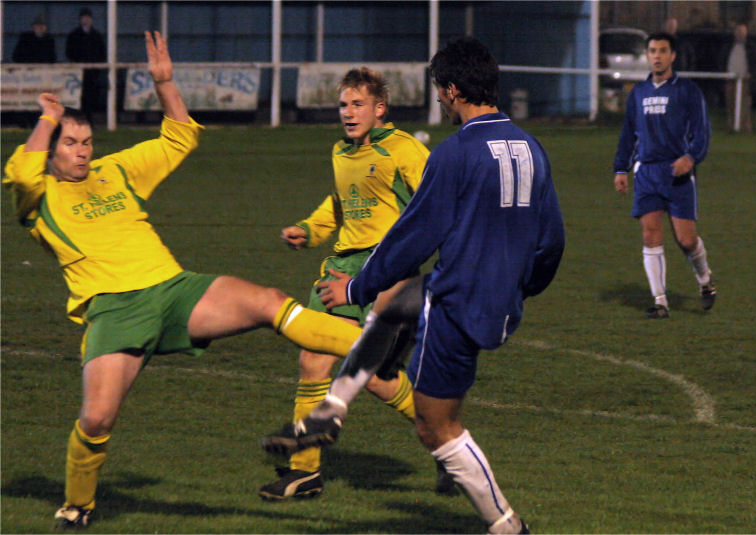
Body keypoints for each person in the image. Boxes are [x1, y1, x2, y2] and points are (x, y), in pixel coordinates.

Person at [2, 31, 363, 530]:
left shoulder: (116, 170)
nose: (82, 153)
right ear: (51, 151)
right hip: (113, 309)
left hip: (173, 290)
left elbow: (180, 135)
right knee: (97, 421)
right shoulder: (36, 198)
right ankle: (77, 505)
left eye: (87, 142)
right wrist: (46, 116)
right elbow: (21, 173)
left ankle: (373, 340)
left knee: (269, 301)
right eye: (70, 144)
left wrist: (165, 84)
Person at [263, 37, 565, 534]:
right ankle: (333, 406)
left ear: (452, 90)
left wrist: (358, 288)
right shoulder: (531, 148)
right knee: (401, 302)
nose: (442, 103)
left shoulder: (454, 153)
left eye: (441, 94)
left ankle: (507, 527)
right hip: (495, 298)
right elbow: (551, 241)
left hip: (459, 303)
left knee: (435, 426)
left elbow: (411, 240)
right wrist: (519, 289)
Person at [260, 67, 450, 500]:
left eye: (357, 104)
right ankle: (304, 471)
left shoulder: (404, 150)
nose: (348, 113)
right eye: (343, 105)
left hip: (378, 271)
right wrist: (309, 230)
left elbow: (434, 209)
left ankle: (448, 444)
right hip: (339, 267)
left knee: (374, 375)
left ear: (379, 108)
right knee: (314, 361)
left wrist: (392, 273)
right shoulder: (341, 151)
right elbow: (341, 203)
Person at [612, 32, 715, 319]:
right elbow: (628, 134)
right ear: (647, 55)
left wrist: (691, 157)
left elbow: (702, 132)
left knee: (686, 240)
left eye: (663, 51)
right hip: (647, 172)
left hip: (677, 173)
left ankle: (705, 279)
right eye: (652, 51)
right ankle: (660, 301)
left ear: (672, 56)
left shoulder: (688, 91)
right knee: (650, 234)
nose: (657, 56)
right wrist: (621, 168)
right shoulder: (639, 92)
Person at [66, 8, 107, 118]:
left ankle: (89, 119)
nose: (86, 20)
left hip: (93, 73)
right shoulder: (74, 35)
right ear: (80, 20)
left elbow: (102, 52)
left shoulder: (96, 35)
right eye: (84, 18)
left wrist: (96, 66)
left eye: (88, 18)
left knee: (92, 96)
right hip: (78, 73)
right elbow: (69, 52)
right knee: (79, 96)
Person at [721, 23, 756, 132]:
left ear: (746, 33)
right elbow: (722, 60)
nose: (740, 34)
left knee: (744, 104)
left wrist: (751, 74)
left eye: (742, 32)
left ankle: (744, 126)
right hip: (730, 79)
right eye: (738, 31)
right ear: (734, 33)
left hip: (744, 80)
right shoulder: (729, 46)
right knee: (730, 102)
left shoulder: (751, 47)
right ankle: (731, 125)